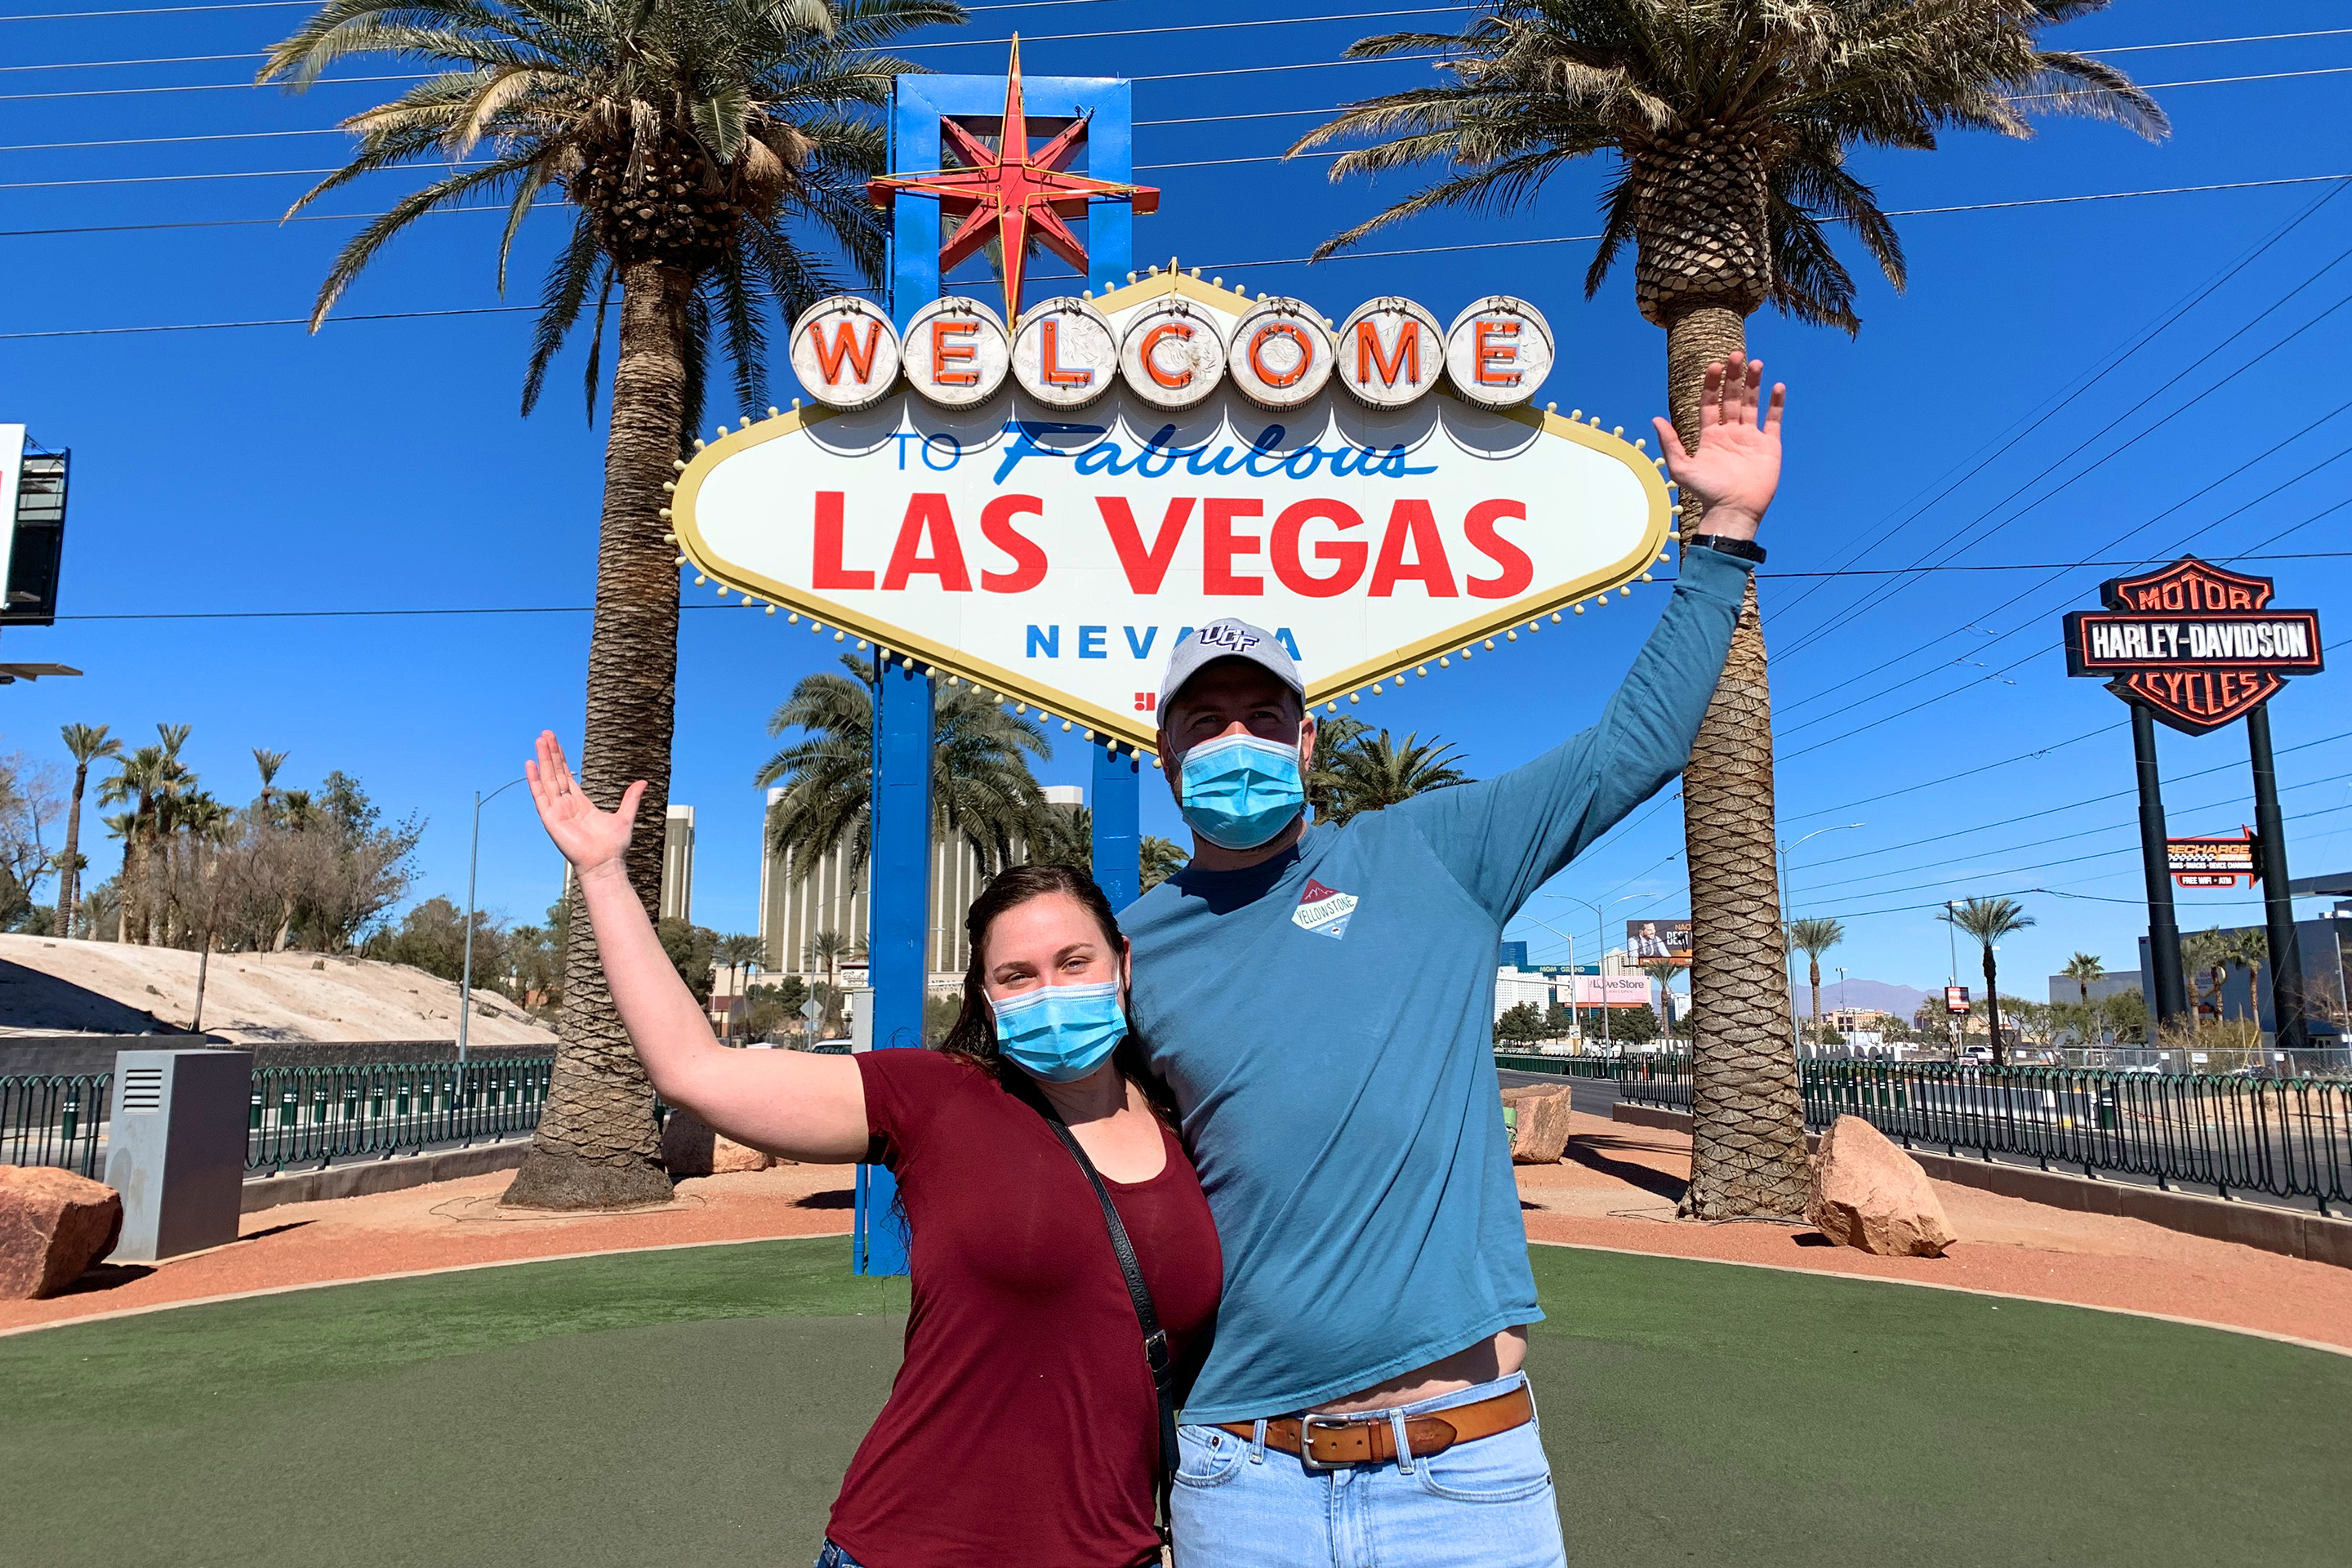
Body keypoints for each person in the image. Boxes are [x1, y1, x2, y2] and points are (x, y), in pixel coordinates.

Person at [1121, 355, 1786, 1566]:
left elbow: (1625, 754)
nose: (1236, 741)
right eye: (1203, 721)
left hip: (1464, 1470)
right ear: (1157, 745)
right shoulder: (1135, 946)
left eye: (1262, 717)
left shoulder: (1432, 854)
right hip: (1241, 1473)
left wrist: (1725, 537)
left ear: (1309, 740)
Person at [525, 728, 1221, 1568]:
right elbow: (691, 1068)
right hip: (907, 1548)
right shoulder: (938, 1100)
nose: (1051, 990)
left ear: (1123, 965)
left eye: (1075, 962)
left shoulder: (1192, 1127)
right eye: (1018, 975)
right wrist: (603, 874)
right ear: (986, 998)